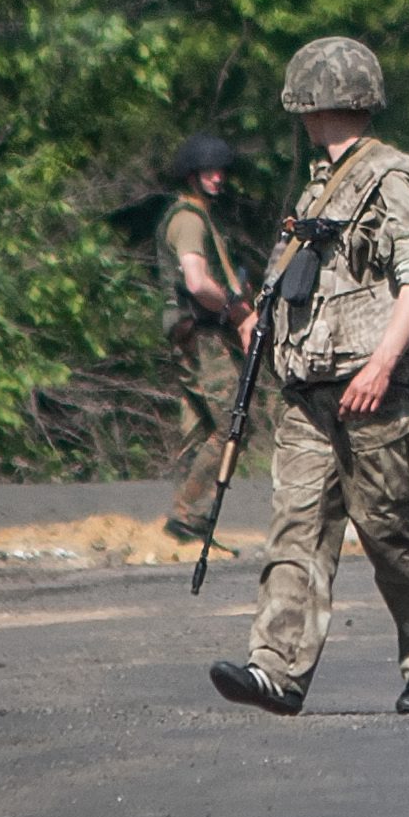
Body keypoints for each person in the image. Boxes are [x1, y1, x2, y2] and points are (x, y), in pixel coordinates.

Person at [208, 39, 409, 718]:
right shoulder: (320, 181)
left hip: (374, 393)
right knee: (295, 534)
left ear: (308, 101)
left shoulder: (391, 178)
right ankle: (275, 668)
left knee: (393, 537)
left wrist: (380, 365)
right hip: (311, 397)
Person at [157, 133, 248, 543]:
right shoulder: (189, 219)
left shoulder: (197, 216)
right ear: (191, 175)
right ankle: (189, 514)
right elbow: (196, 283)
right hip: (204, 334)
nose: (217, 177)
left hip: (203, 333)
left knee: (206, 427)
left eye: (220, 170)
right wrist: (234, 308)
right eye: (208, 171)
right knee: (233, 424)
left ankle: (188, 521)